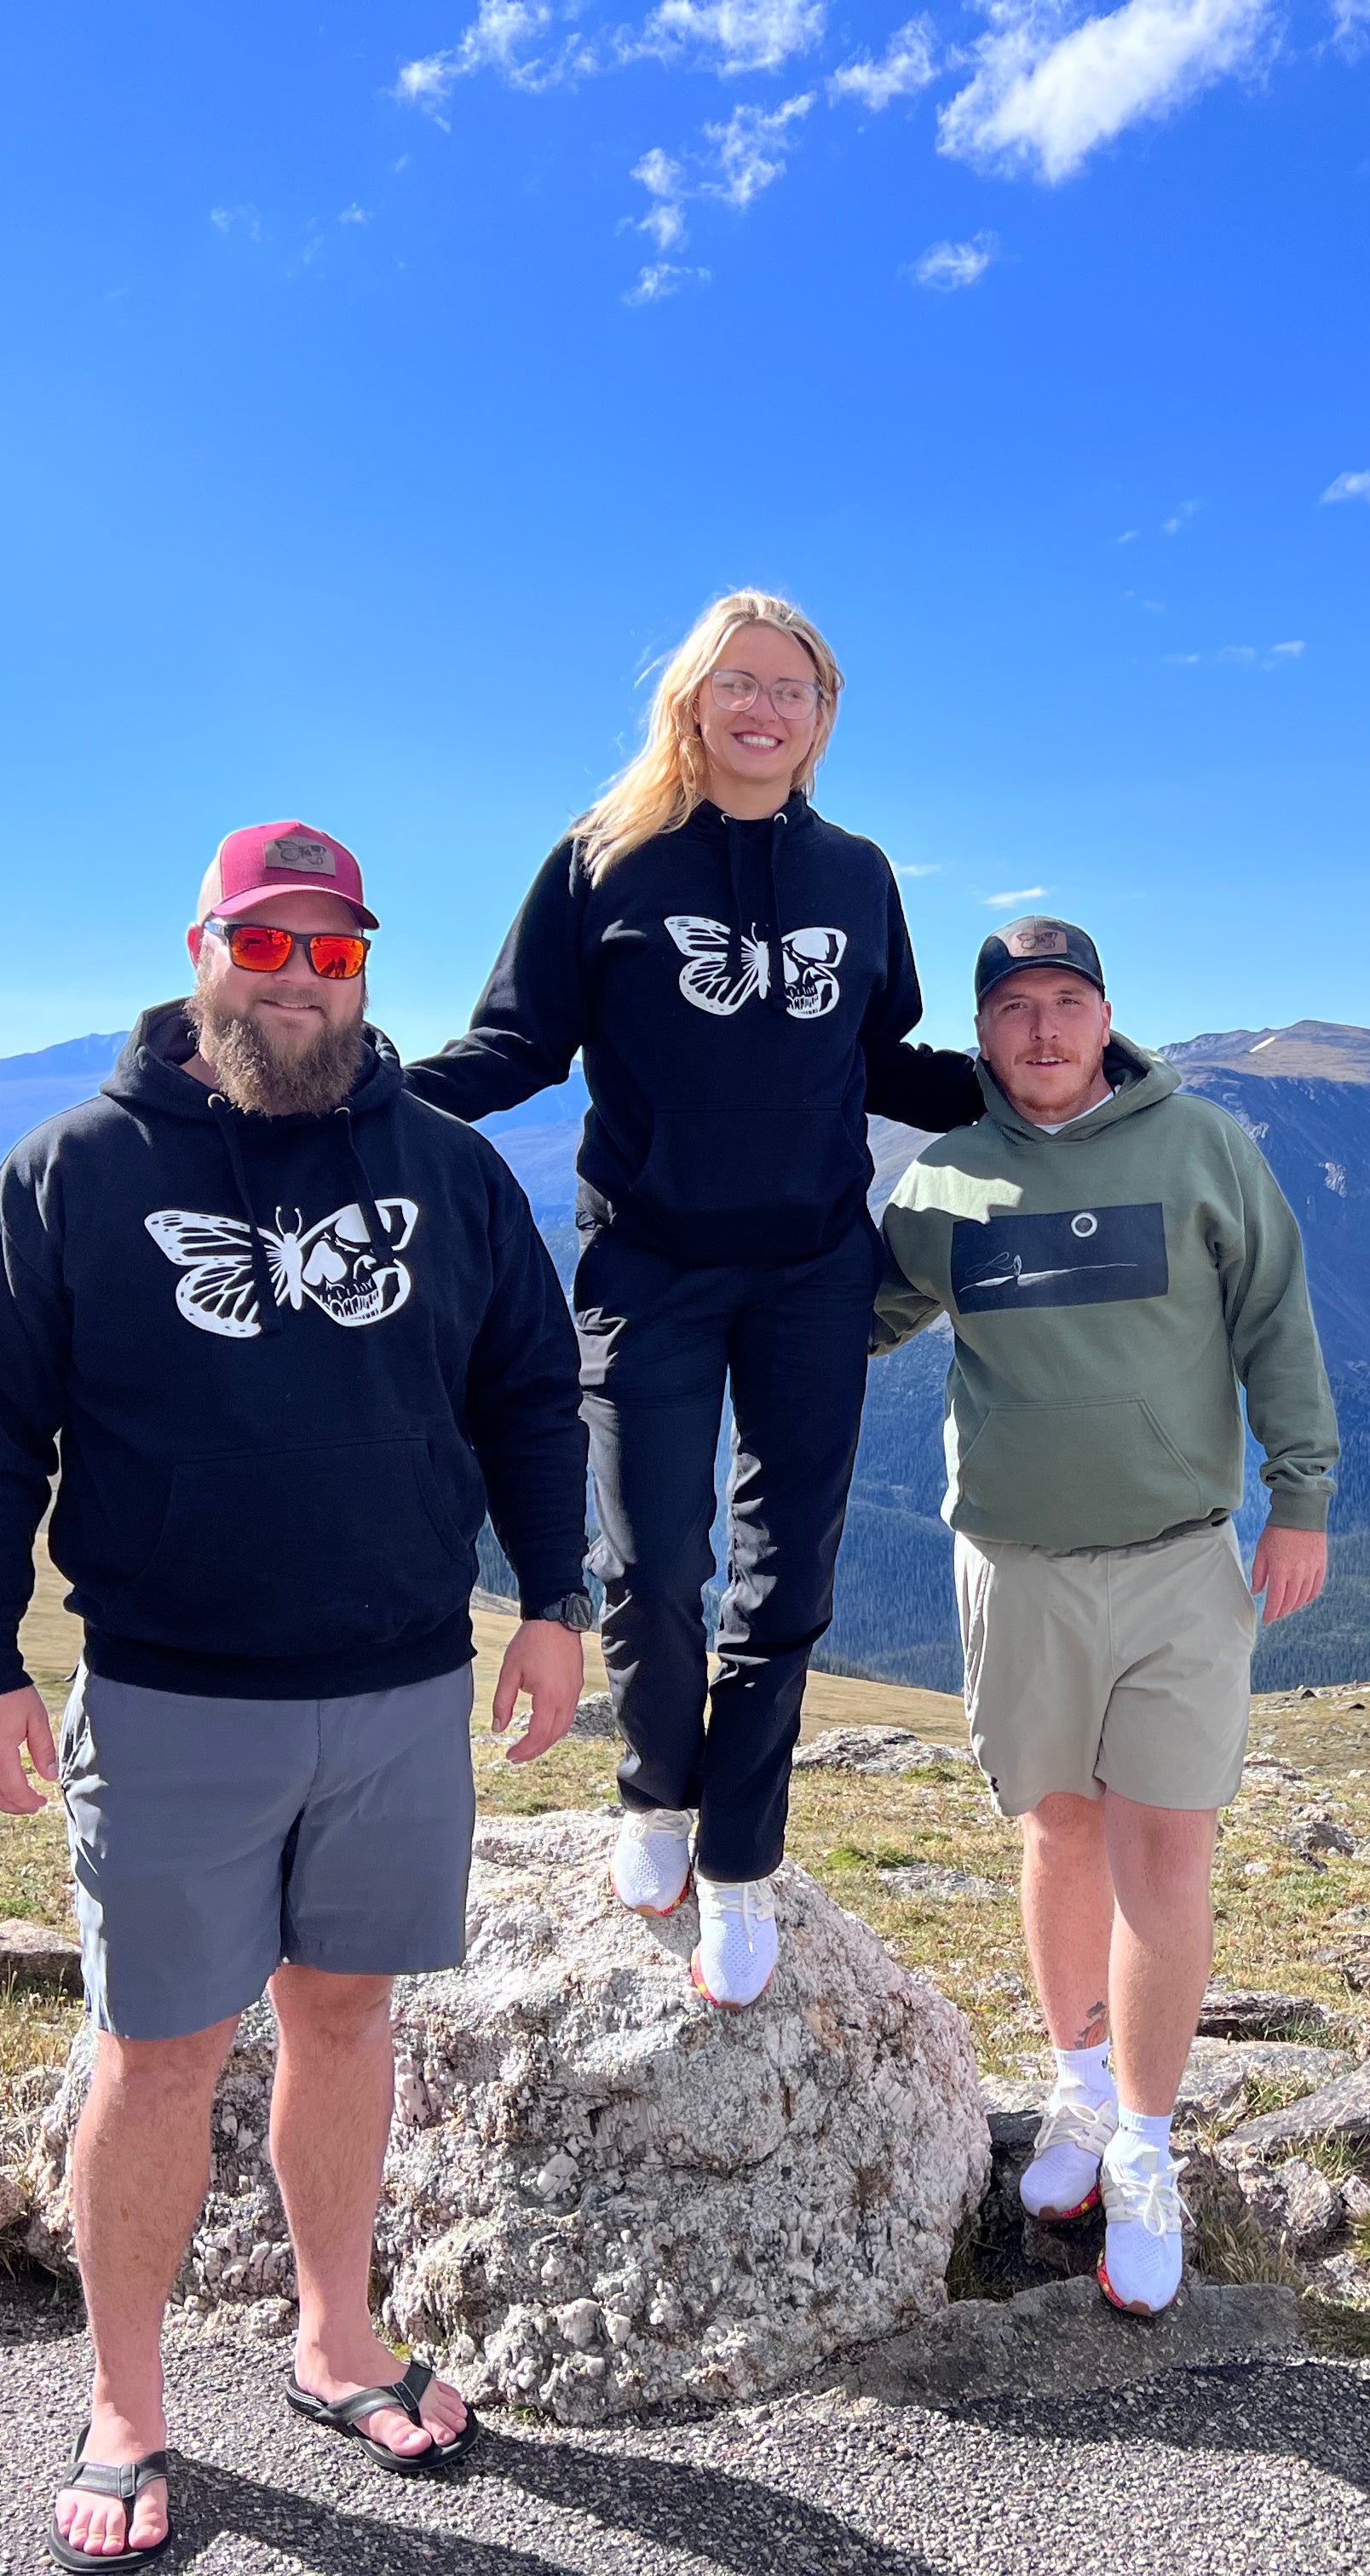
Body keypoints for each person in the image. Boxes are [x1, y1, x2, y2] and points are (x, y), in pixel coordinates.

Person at [0, 821, 592, 2570]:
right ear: (202, 950)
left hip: (396, 1688)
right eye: (267, 946)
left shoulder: (446, 1170)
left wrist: (555, 1603)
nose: (300, 981)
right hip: (168, 1696)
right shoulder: (70, 1173)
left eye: (335, 953)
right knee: (157, 2057)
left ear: (368, 973)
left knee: (348, 2017)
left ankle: (333, 2338)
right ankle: (128, 2403)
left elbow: (528, 1388)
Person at [402, 590, 977, 2009]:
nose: (765, 709)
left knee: (786, 1580)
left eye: (794, 690)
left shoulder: (857, 872)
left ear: (824, 719)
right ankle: (653, 1788)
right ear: (693, 703)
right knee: (652, 1565)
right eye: (740, 684)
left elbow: (880, 1055)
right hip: (646, 1265)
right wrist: (368, 1097)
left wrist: (1051, 1080)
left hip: (810, 1271)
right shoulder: (605, 863)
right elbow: (520, 1044)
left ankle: (740, 1860)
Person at [871, 916, 1338, 2313]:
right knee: (1055, 1829)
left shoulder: (1203, 1150)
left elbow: (1277, 1317)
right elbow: (862, 1316)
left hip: (1180, 1559)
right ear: (982, 1036)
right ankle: (1073, 2090)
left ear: (1106, 1015)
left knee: (1166, 1852)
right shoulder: (946, 1177)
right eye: (1012, 1009)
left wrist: (1303, 1492)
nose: (1042, 1031)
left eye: (1065, 1002)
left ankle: (1144, 2146)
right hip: (1013, 1567)